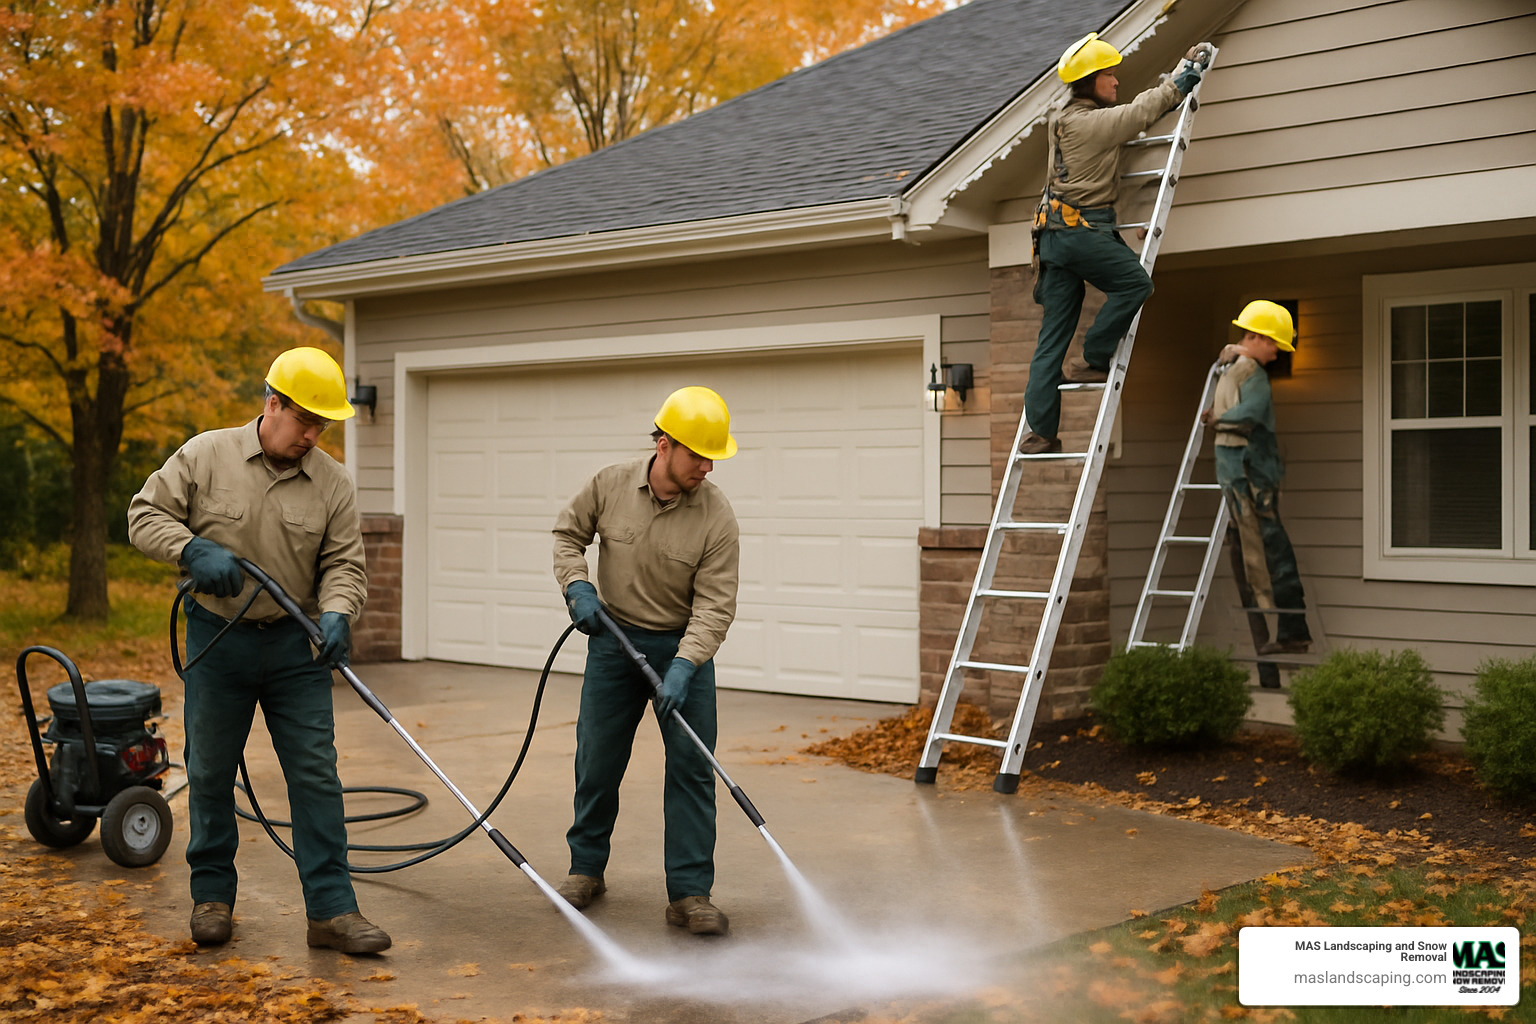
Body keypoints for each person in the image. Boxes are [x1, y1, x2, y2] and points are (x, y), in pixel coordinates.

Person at [127, 347, 389, 954]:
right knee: (212, 772)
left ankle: (331, 911)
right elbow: (144, 515)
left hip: (297, 650)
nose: (313, 436)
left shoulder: (333, 482)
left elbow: (344, 564)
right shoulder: (205, 455)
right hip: (218, 641)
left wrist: (338, 612)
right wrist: (191, 550)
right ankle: (212, 898)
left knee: (316, 776)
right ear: (272, 404)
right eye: (306, 421)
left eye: (323, 425)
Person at [551, 386, 741, 936]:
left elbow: (716, 603)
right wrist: (577, 586)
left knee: (690, 768)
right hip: (613, 641)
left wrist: (685, 665)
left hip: (683, 649)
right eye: (698, 455)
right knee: (598, 759)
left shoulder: (716, 515)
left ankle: (689, 893)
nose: (706, 467)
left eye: (712, 457)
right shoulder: (610, 485)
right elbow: (568, 535)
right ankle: (585, 869)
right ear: (664, 444)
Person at [1022, 33, 1209, 454]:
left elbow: (1127, 109)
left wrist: (1178, 70)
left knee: (1051, 339)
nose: (1116, 81)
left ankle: (1043, 433)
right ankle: (1094, 355)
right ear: (1089, 81)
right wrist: (1181, 83)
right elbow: (1140, 112)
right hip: (1079, 234)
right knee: (1136, 284)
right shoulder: (1090, 124)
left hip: (1053, 238)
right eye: (1109, 75)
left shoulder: (1063, 117)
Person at [1202, 300, 1312, 656]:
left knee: (1274, 553)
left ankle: (1293, 631)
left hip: (1254, 479)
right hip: (1244, 478)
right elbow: (1236, 409)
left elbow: (1247, 415)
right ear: (1257, 336)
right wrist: (1218, 417)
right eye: (1275, 344)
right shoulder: (1240, 368)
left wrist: (1217, 419)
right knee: (1263, 552)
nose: (1278, 352)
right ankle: (1288, 631)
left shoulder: (1249, 373)